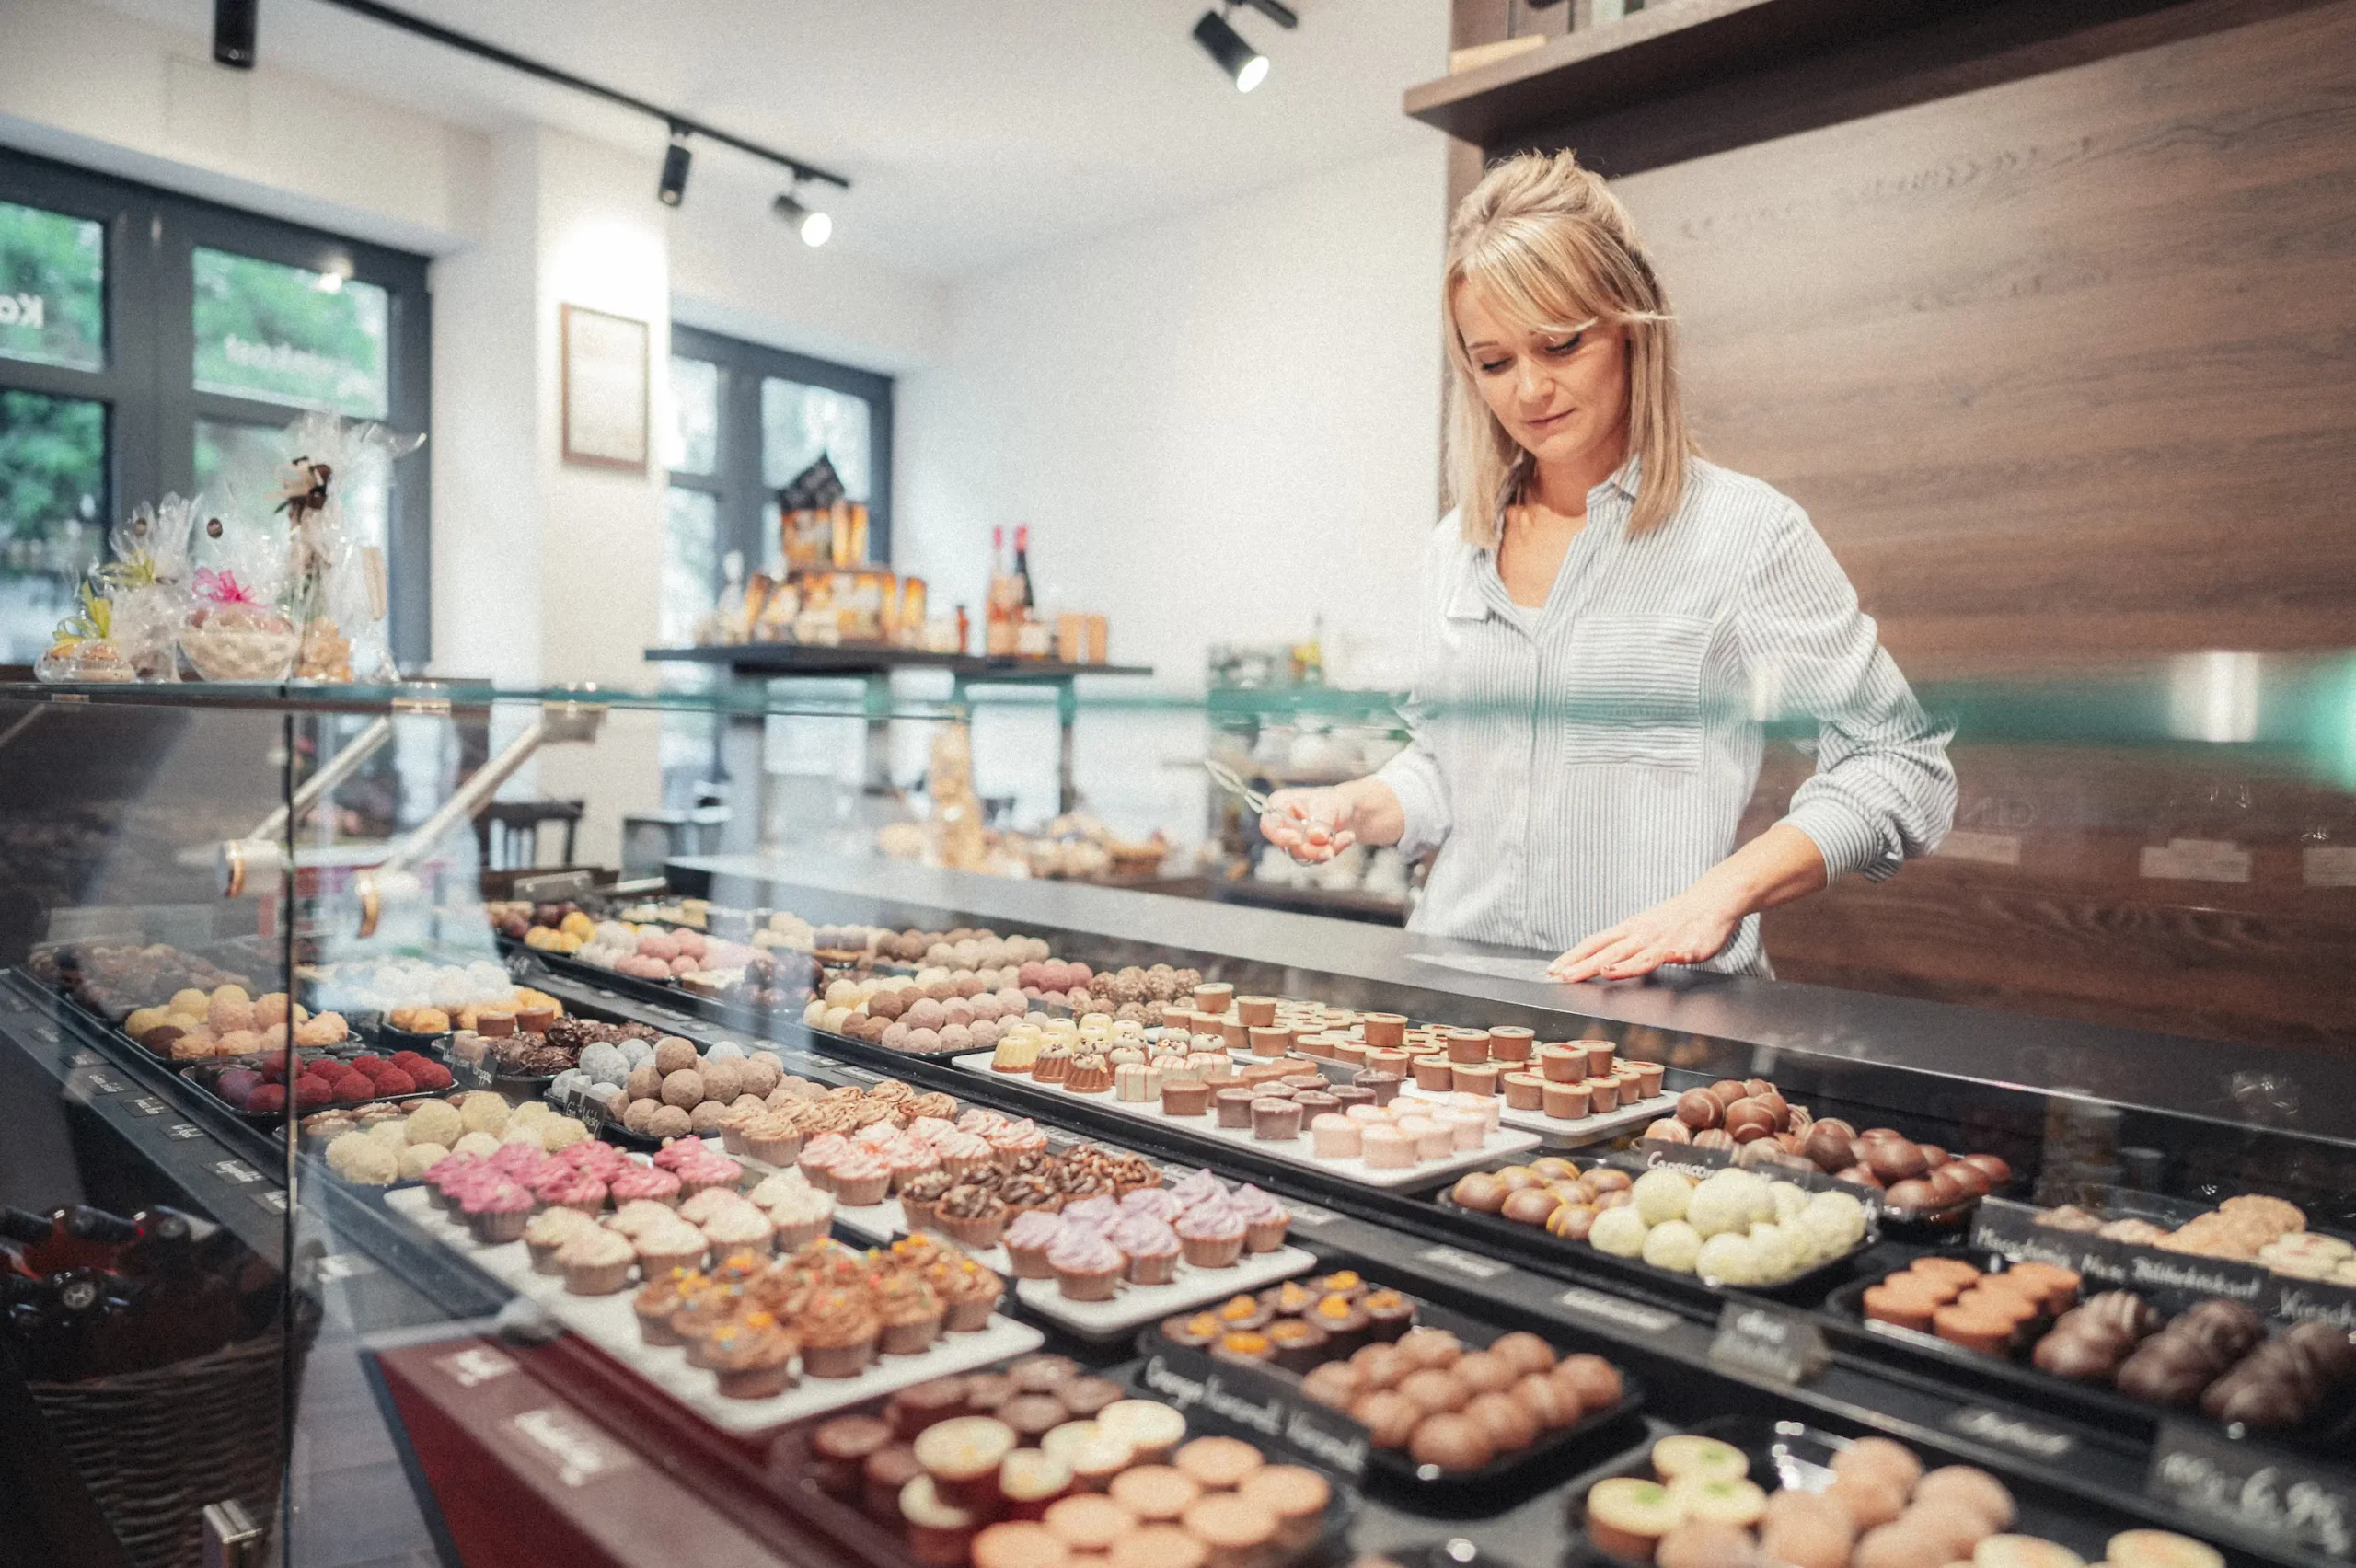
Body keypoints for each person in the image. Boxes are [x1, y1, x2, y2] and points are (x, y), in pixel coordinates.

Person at [1261, 150, 1956, 982]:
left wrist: (1723, 893)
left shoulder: (1746, 533)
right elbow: (1452, 770)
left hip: (1656, 1012)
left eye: (1560, 345)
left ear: (1631, 327)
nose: (1529, 391)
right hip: (1461, 999)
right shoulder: (1456, 546)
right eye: (1494, 362)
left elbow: (1902, 763)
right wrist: (1355, 805)